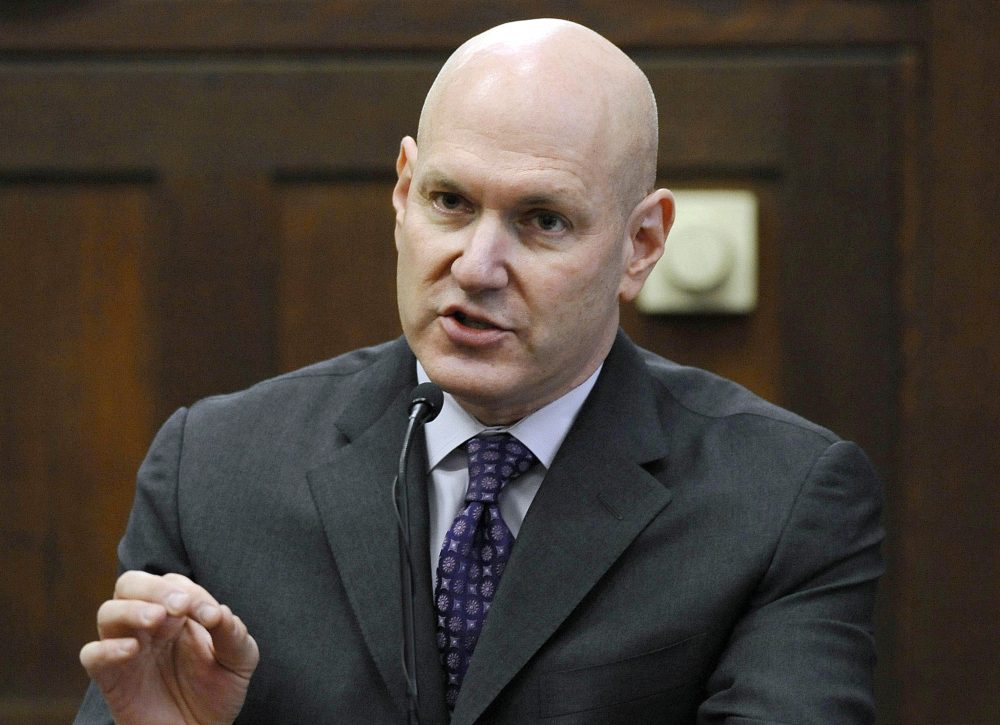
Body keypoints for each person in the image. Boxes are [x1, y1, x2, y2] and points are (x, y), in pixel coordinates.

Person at [76, 18, 884, 725]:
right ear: (402, 192)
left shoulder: (783, 500)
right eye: (451, 202)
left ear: (640, 244)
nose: (478, 264)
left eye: (543, 220)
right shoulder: (212, 468)